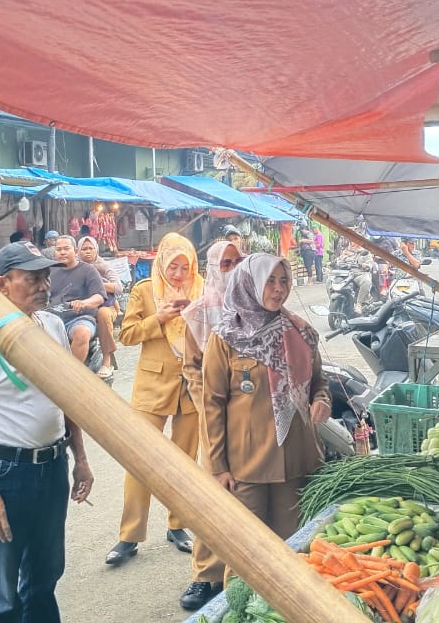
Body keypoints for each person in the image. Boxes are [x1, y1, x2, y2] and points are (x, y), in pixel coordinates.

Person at [0, 242, 93, 623]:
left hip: (51, 468)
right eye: (32, 278)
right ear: (2, 284)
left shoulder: (51, 326)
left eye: (46, 276)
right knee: (3, 596)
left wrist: (80, 459)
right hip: (6, 474)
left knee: (44, 581)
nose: (45, 285)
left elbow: (68, 400)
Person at [202, 254, 331, 563]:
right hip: (248, 464)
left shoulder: (300, 332)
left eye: (283, 280)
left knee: (295, 550)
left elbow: (318, 381)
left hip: (296, 459)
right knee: (246, 554)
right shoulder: (226, 338)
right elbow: (212, 404)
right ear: (250, 284)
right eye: (270, 281)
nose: (278, 289)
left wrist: (321, 400)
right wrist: (218, 466)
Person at [107, 233, 203, 566]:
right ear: (161, 262)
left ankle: (179, 525)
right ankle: (129, 536)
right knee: (140, 459)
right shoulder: (145, 290)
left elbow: (213, 334)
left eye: (184, 267)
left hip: (191, 387)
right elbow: (127, 334)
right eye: (172, 266)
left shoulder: (201, 289)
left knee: (185, 462)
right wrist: (159, 318)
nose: (178, 274)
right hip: (152, 384)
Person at [176, 241, 243, 610]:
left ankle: (245, 570)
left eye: (238, 262)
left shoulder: (256, 304)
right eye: (226, 262)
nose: (232, 268)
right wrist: (212, 406)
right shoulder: (200, 312)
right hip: (214, 416)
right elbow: (192, 369)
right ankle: (206, 575)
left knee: (248, 488)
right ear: (214, 266)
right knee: (213, 491)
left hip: (253, 417)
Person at [45, 235, 105, 364]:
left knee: (82, 333)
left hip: (79, 318)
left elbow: (99, 297)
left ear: (75, 251)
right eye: (58, 249)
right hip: (51, 318)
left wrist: (84, 303)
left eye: (66, 248)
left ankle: (72, 374)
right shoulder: (49, 271)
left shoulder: (88, 270)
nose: (62, 252)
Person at [78, 236, 121, 379]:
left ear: (96, 250)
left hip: (107, 306)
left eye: (91, 248)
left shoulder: (104, 266)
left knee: (102, 314)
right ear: (78, 251)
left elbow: (118, 287)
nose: (88, 252)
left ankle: (106, 360)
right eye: (84, 249)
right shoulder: (75, 267)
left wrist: (97, 284)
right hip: (85, 307)